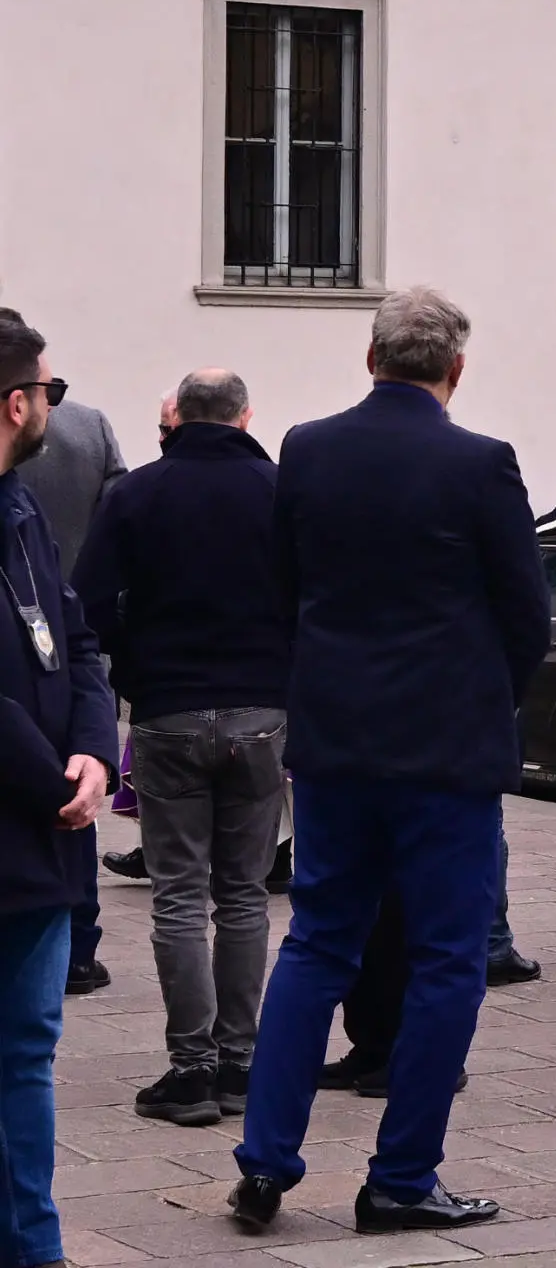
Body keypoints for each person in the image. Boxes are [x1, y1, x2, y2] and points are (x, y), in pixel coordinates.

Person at [231, 289, 548, 1237]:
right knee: (448, 959)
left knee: (319, 941)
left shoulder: (308, 448)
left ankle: (265, 1163)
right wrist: (478, 688)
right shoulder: (481, 463)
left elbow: (284, 588)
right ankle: (402, 1175)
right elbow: (527, 614)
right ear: (456, 371)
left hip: (335, 739)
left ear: (371, 359)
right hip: (445, 748)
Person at [70, 367, 285, 1127]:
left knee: (179, 895)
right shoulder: (278, 491)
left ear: (178, 420)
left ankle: (190, 1070)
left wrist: (136, 666)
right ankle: (242, 1063)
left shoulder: (137, 495)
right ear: (244, 416)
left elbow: (88, 604)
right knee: (243, 892)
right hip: (261, 709)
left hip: (167, 710)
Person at [0, 316, 115, 1266]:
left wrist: (93, 751)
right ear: (17, 403)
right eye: (50, 391)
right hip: (23, 815)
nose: (52, 405)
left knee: (27, 1055)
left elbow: (73, 640)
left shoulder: (23, 508)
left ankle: (35, 1249)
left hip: (44, 835)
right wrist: (53, 779)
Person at [11, 355, 121, 1004]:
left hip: (63, 656)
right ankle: (83, 945)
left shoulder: (25, 501)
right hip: (60, 689)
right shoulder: (92, 430)